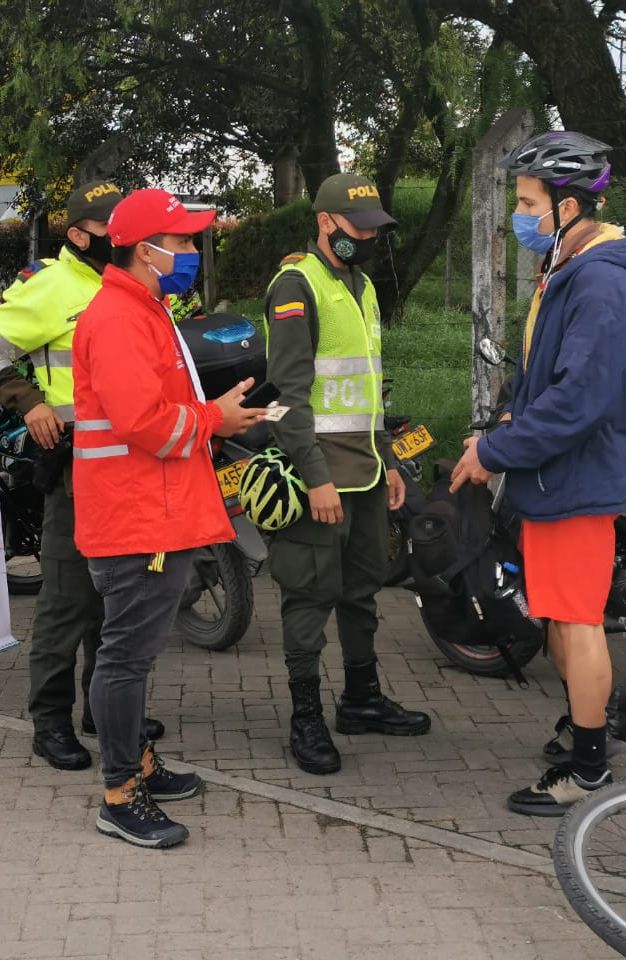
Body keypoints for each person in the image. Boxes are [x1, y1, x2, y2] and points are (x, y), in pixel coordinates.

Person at [450, 131, 626, 816]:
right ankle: (583, 727)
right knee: (561, 620)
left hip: (574, 482)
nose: (520, 216)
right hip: (555, 478)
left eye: (526, 202)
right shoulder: (569, 271)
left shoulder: (599, 282)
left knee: (577, 623)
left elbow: (579, 400)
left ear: (566, 208)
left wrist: (492, 454)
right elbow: (544, 381)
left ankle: (590, 770)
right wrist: (502, 426)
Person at [73, 188, 266, 847]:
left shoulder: (145, 309)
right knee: (126, 655)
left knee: (137, 652)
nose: (188, 252)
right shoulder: (120, 318)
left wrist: (220, 409)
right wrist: (219, 418)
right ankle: (120, 794)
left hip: (151, 511)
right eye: (180, 242)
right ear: (143, 249)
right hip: (135, 517)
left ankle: (138, 765)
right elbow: (144, 424)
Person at [0, 179, 163, 772]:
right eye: (110, 227)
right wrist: (28, 401)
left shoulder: (130, 286)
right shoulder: (53, 287)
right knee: (67, 603)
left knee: (118, 600)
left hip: (130, 468)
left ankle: (103, 709)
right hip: (76, 469)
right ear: (78, 235)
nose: (124, 236)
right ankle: (49, 722)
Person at [262, 173, 432, 776]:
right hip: (320, 474)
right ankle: (304, 718)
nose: (369, 237)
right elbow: (285, 397)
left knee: (362, 590)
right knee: (310, 596)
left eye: (375, 230)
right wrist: (314, 477)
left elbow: (367, 388)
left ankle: (360, 699)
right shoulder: (295, 285)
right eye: (360, 228)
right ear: (326, 223)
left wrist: (387, 459)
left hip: (363, 471)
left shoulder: (359, 285)